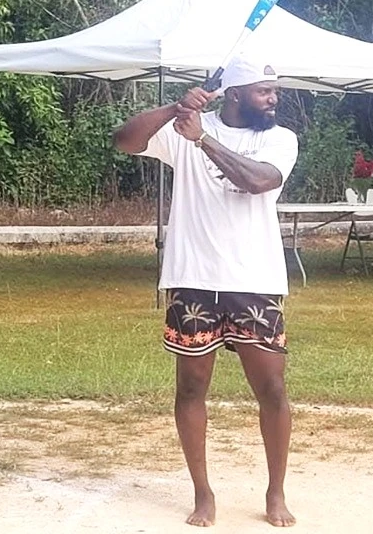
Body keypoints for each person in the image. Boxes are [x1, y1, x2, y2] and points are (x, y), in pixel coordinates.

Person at [112, 55, 299, 528]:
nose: (273, 99)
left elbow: (259, 181)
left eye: (274, 91)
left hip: (254, 280)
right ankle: (203, 493)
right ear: (234, 94)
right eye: (263, 91)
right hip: (194, 277)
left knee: (272, 389)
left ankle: (275, 492)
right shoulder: (186, 125)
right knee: (191, 388)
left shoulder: (280, 138)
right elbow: (124, 141)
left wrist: (204, 140)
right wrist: (174, 110)